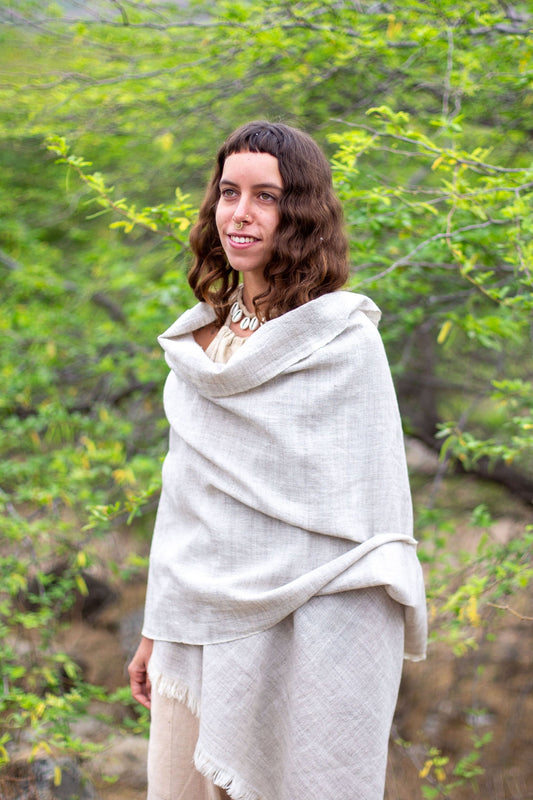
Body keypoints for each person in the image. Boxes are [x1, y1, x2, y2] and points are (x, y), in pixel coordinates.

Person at [128, 120, 427, 800]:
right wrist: (155, 626)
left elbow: (369, 514)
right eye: (229, 192)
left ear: (302, 213)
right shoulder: (201, 344)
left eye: (266, 196)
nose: (240, 213)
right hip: (195, 624)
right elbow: (184, 499)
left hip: (313, 629)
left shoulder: (341, 344)